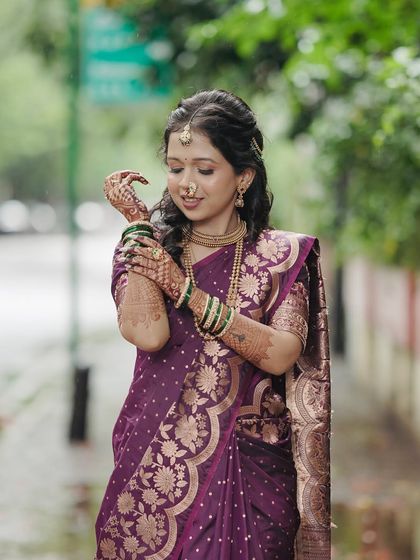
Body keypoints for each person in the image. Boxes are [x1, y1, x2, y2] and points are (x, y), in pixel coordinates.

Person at [95, 89, 331, 560]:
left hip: (250, 472)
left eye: (204, 170)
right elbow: (148, 334)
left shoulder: (282, 259)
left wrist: (186, 292)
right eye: (175, 167)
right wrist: (141, 226)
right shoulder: (146, 246)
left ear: (242, 177)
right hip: (154, 461)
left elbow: (283, 352)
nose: (186, 184)